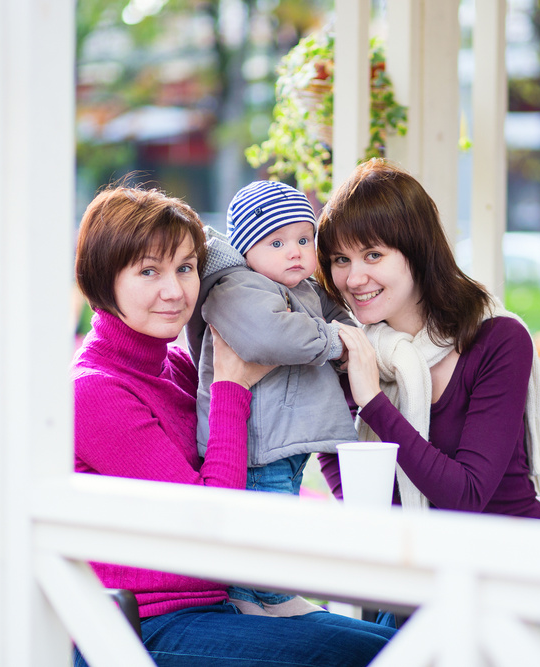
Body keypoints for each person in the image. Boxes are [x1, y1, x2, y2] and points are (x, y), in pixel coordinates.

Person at [72, 184, 394, 667]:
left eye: (185, 268)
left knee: (407, 640)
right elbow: (210, 520)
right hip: (146, 628)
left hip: (230, 603)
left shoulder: (176, 368)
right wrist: (231, 389)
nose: (174, 291)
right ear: (102, 280)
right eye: (148, 271)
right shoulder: (94, 390)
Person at [314, 158, 540, 518]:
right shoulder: (358, 352)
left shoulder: (499, 339)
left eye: (373, 255)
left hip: (508, 556)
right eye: (340, 259)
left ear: (418, 251)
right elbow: (340, 464)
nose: (353, 279)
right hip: (411, 558)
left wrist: (374, 403)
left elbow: (467, 495)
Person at [185, 180, 358, 616]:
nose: (295, 251)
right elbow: (270, 337)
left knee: (274, 524)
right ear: (246, 249)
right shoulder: (235, 289)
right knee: (264, 524)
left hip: (281, 442)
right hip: (254, 447)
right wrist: (338, 342)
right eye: (277, 241)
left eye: (303, 239)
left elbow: (341, 317)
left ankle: (262, 596)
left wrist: (361, 334)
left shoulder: (302, 289)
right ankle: (258, 600)